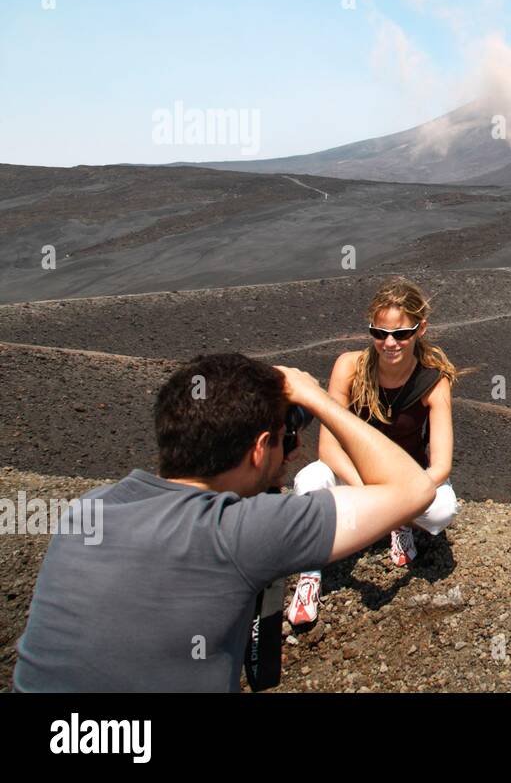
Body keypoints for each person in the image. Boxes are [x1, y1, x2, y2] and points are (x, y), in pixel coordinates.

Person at [13, 353, 434, 692]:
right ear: (258, 450)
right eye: (285, 439)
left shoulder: (87, 511)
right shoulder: (240, 531)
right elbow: (413, 490)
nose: (294, 449)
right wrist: (317, 400)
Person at [287, 276, 460, 626]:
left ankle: (397, 524)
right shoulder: (349, 368)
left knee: (442, 510)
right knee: (307, 481)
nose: (390, 343)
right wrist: (371, 493)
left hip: (406, 477)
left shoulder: (433, 379)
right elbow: (328, 448)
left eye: (401, 333)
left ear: (420, 329)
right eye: (379, 333)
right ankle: (310, 573)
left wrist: (399, 497)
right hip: (354, 475)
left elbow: (440, 465)